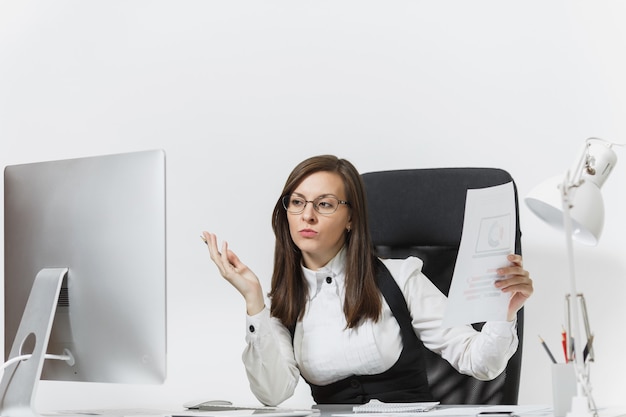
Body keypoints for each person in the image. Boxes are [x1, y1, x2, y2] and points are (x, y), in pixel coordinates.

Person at [202, 155, 533, 406]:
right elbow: (273, 394)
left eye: (325, 204)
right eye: (297, 202)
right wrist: (254, 301)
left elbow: (481, 363)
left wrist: (503, 310)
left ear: (350, 218)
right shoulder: (284, 305)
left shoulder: (398, 278)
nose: (308, 215)